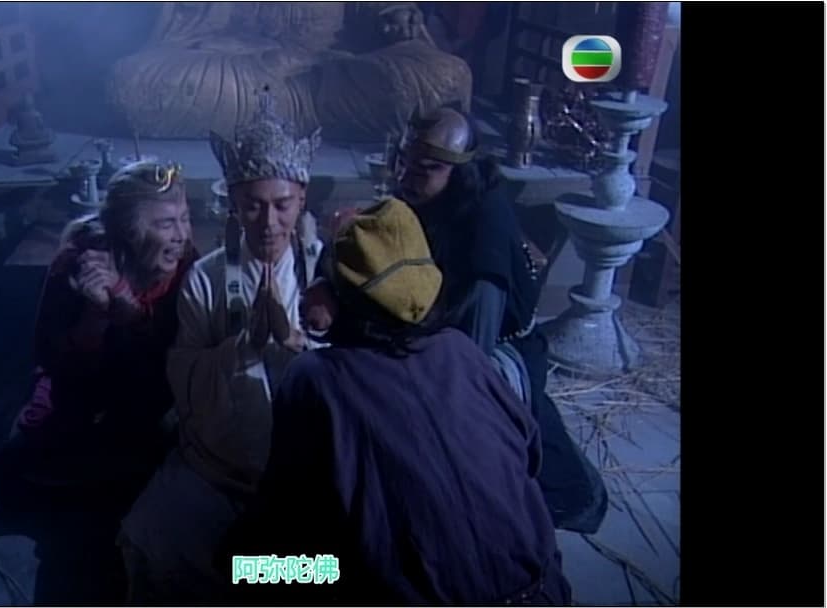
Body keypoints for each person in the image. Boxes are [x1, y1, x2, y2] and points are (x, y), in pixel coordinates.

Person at [226, 197, 573, 605]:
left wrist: (244, 554)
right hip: (545, 591)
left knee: (245, 567)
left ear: (332, 297)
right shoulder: (460, 349)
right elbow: (529, 456)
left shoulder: (316, 378)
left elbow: (283, 511)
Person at [302, 106, 608, 534]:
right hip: (436, 331)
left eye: (424, 169)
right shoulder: (430, 197)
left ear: (459, 172)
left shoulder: (483, 241)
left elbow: (468, 361)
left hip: (489, 355)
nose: (406, 177)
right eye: (403, 163)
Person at [116, 91, 325, 603]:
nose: (268, 223)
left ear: (302, 200)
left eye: (282, 205)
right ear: (232, 203)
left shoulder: (326, 272)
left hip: (306, 471)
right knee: (146, 540)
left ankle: (247, 575)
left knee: (327, 566)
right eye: (252, 205)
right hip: (216, 465)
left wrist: (296, 343)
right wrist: (243, 347)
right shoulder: (207, 279)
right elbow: (185, 374)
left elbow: (356, 376)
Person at [0, 160, 197, 492]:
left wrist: (129, 309)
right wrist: (96, 315)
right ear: (129, 231)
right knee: (27, 455)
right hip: (85, 387)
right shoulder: (77, 262)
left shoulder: (187, 261)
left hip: (155, 389)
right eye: (166, 223)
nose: (181, 236)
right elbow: (50, 356)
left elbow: (179, 352)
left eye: (184, 219)